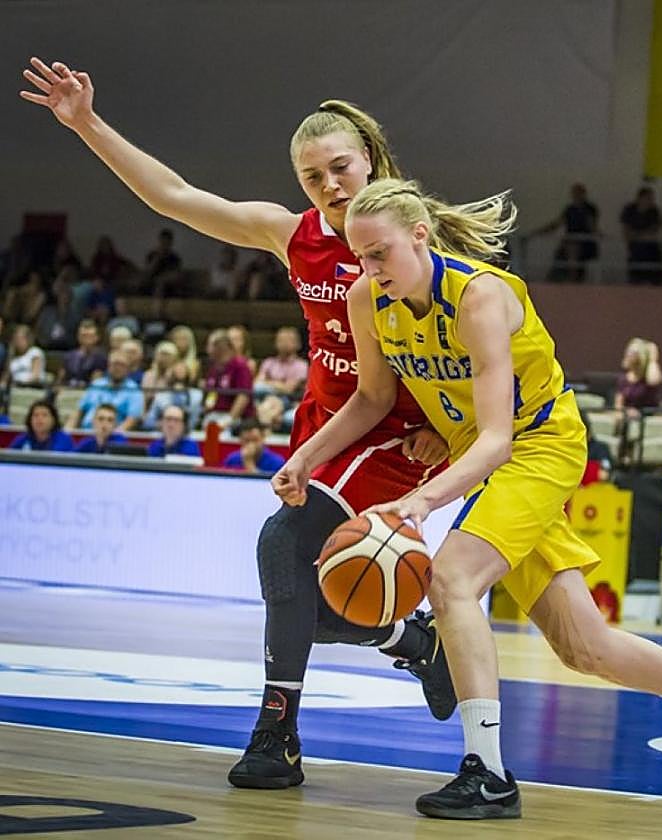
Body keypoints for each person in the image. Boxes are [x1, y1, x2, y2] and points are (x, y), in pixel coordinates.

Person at [274, 177, 662, 819]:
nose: (368, 268)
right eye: (360, 256)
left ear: (420, 237)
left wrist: (423, 501)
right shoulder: (368, 298)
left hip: (540, 445)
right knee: (582, 645)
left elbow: (495, 441)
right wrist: (305, 458)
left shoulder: (479, 296)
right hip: (486, 463)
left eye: (380, 254)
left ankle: (488, 773)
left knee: (451, 579)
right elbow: (371, 399)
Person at [22, 56, 457, 790]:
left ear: (373, 160)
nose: (330, 186)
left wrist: (454, 427)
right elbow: (175, 197)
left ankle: (276, 735)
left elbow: (482, 349)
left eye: (341, 167)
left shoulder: (423, 238)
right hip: (331, 421)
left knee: (281, 543)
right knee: (306, 593)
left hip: (398, 430)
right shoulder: (294, 236)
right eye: (313, 177)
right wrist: (87, 123)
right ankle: (412, 638)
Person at [532, 182, 599, 283]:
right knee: (560, 258)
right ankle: (558, 280)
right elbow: (557, 224)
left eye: (578, 193)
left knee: (573, 253)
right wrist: (537, 232)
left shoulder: (590, 209)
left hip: (584, 244)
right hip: (569, 243)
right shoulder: (570, 209)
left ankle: (574, 278)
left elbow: (592, 226)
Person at [68, 349, 143, 431]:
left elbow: (131, 420)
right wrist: (67, 432)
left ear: (128, 369)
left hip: (112, 437)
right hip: (86, 432)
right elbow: (79, 411)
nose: (117, 368)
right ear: (108, 366)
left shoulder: (134, 390)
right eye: (114, 364)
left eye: (122, 365)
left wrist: (115, 435)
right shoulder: (96, 384)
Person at [620, 186, 662, 285]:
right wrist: (640, 236)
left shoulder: (654, 211)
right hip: (635, 251)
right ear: (640, 198)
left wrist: (636, 235)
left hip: (652, 251)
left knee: (655, 280)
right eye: (649, 198)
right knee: (635, 279)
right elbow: (626, 232)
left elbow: (653, 231)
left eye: (652, 198)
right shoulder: (629, 210)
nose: (651, 201)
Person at [613, 337, 662, 415]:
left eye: (632, 352)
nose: (628, 355)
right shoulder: (624, 378)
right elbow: (619, 402)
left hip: (648, 418)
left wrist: (653, 359)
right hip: (627, 417)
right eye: (628, 351)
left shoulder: (648, 376)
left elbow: (653, 381)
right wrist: (622, 413)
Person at [8, 399, 74, 452]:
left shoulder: (63, 439)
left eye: (44, 415)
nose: (39, 419)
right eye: (35, 415)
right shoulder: (24, 438)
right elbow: (8, 458)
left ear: (53, 420)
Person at [57, 319, 107, 387]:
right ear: (78, 337)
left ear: (96, 337)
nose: (87, 340)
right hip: (67, 391)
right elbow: (60, 380)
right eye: (84, 336)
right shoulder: (68, 356)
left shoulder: (101, 358)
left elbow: (96, 383)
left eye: (90, 336)